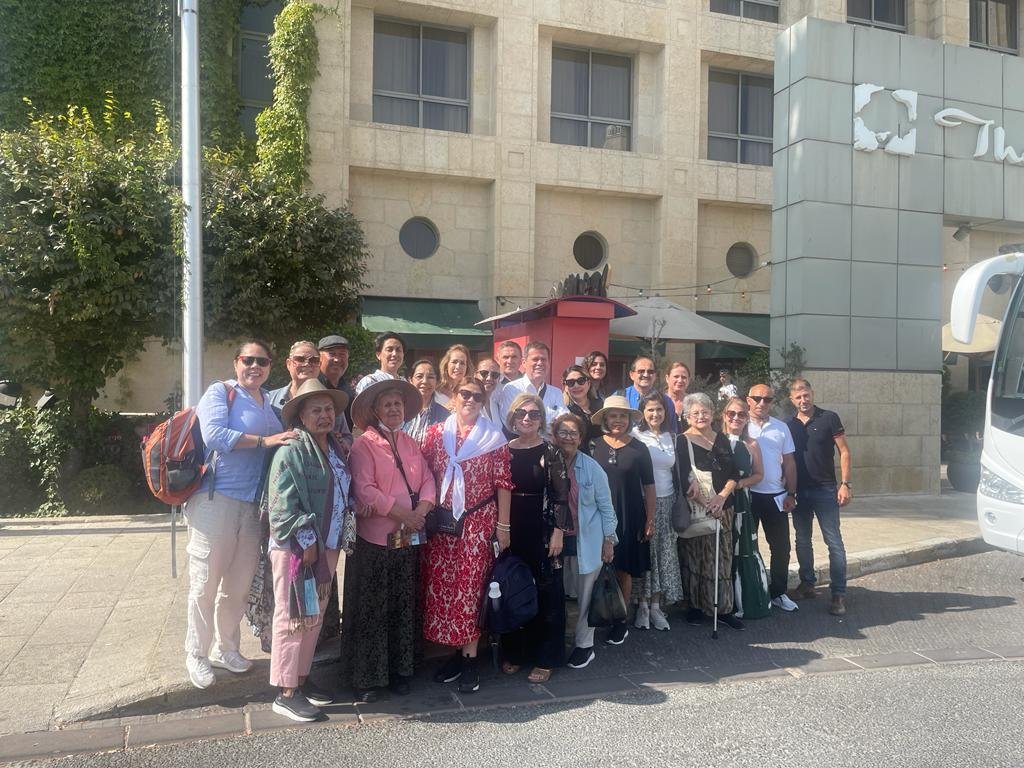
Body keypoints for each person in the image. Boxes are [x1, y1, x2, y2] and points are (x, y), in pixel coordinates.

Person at [185, 341, 298, 691]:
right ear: (236, 363)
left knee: (237, 585)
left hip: (252, 507)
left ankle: (227, 648)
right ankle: (196, 654)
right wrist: (266, 442)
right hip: (214, 500)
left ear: (269, 366)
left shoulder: (267, 403)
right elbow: (214, 435)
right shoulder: (220, 392)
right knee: (205, 582)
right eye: (248, 360)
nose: (255, 366)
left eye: (261, 361)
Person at [265, 378, 351, 722]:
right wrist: (308, 544)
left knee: (312, 615)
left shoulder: (335, 448)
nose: (324, 415)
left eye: (329, 409)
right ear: (301, 415)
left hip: (327, 546)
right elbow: (281, 506)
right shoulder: (292, 450)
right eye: (315, 409)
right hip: (299, 549)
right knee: (293, 615)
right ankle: (285, 692)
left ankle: (300, 678)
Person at [421, 377, 513, 694]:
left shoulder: (494, 438)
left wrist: (504, 526)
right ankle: (455, 655)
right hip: (443, 525)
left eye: (477, 395)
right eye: (465, 394)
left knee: (471, 589)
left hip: (477, 521)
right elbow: (423, 475)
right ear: (454, 397)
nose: (470, 399)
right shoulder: (435, 434)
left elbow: (503, 483)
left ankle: (471, 659)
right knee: (444, 588)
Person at [346, 379, 436, 701]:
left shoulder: (410, 443)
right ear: (375, 410)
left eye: (398, 404)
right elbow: (365, 489)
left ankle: (400, 670)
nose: (394, 409)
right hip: (375, 540)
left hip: (408, 536)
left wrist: (421, 512)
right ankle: (369, 676)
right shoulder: (364, 445)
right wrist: (403, 514)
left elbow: (427, 479)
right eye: (388, 404)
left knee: (402, 604)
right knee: (373, 608)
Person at [501, 393, 570, 683]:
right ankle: (517, 652)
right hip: (510, 526)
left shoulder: (550, 451)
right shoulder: (504, 449)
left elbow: (561, 497)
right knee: (513, 589)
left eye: (533, 414)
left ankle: (546, 656)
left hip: (541, 528)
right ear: (512, 417)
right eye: (521, 413)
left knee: (547, 592)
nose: (527, 418)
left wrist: (558, 533)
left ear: (542, 419)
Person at [550, 413, 617, 669]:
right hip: (555, 540)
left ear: (580, 438)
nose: (567, 438)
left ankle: (584, 645)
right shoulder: (549, 463)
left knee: (587, 595)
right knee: (561, 593)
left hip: (586, 539)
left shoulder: (592, 468)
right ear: (555, 436)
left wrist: (609, 540)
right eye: (562, 433)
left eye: (573, 433)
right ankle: (557, 640)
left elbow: (607, 508)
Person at [588, 395, 656, 646]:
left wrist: (651, 519)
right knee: (596, 568)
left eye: (623, 416)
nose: (618, 420)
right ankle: (599, 615)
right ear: (605, 419)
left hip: (630, 514)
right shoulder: (593, 445)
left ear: (629, 420)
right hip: (597, 516)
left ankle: (620, 620)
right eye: (613, 415)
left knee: (623, 569)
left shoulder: (640, 449)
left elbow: (649, 487)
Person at [786, 378, 853, 616]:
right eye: (798, 397)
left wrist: (845, 484)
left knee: (833, 542)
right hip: (799, 491)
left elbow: (844, 451)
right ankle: (807, 584)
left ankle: (838, 594)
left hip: (826, 489)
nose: (803, 401)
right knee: (802, 540)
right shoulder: (789, 425)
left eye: (806, 395)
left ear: (812, 394)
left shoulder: (829, 418)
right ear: (791, 400)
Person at [680, 392, 742, 629]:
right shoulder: (681, 441)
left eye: (705, 411)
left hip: (723, 507)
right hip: (697, 508)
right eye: (695, 413)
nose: (701, 416)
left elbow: (735, 473)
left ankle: (723, 608)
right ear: (687, 417)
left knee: (721, 560)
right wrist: (703, 498)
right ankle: (695, 606)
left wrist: (722, 496)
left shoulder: (722, 438)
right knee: (695, 558)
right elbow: (682, 476)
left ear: (713, 414)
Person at [630, 392, 686, 631]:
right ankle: (641, 604)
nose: (655, 414)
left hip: (668, 500)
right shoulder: (635, 436)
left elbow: (679, 470)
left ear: (666, 412)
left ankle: (655, 605)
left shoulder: (671, 437)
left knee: (664, 554)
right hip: (643, 502)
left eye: (659, 410)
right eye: (650, 409)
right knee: (645, 554)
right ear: (643, 411)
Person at [746, 383, 799, 612]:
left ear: (772, 402)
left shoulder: (781, 428)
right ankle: (749, 591)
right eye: (757, 398)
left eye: (767, 399)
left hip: (776, 496)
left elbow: (789, 462)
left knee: (781, 548)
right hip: (747, 496)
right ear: (748, 399)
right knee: (747, 546)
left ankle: (778, 592)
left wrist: (791, 493)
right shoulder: (739, 424)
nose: (761, 403)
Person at [721, 396, 766, 615]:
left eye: (741, 414)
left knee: (743, 548)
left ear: (747, 417)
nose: (736, 418)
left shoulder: (751, 444)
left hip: (742, 502)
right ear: (724, 416)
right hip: (722, 501)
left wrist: (740, 484)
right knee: (724, 549)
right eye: (732, 414)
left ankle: (745, 602)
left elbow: (759, 475)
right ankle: (723, 603)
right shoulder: (716, 440)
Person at [498, 341, 566, 428]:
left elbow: (564, 423)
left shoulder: (556, 393)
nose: (540, 363)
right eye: (535, 359)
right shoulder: (511, 389)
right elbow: (510, 424)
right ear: (524, 362)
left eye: (544, 359)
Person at [616, 356, 678, 433]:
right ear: (631, 375)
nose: (645, 375)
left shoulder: (666, 401)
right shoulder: (619, 397)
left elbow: (671, 432)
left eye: (650, 372)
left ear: (655, 375)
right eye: (641, 371)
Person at [268, 340, 322, 419]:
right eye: (300, 359)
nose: (307, 364)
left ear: (319, 365)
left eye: (314, 360)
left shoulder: (331, 401)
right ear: (288, 364)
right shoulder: (268, 399)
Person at [403, 359, 450, 444]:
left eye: (430, 377)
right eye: (419, 376)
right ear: (410, 380)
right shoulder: (401, 411)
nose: (425, 381)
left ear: (437, 382)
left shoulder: (445, 416)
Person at [318, 334, 356, 429]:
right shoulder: (313, 387)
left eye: (342, 354)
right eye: (332, 354)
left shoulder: (347, 390)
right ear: (319, 358)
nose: (337, 359)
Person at [561, 364, 602, 453]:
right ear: (565, 386)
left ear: (588, 383)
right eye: (570, 383)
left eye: (581, 381)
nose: (576, 386)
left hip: (601, 458)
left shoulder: (601, 406)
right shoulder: (563, 411)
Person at [436, 344, 474, 408]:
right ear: (446, 365)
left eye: (462, 363)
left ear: (467, 367)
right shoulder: (435, 391)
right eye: (454, 362)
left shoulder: (472, 393)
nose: (458, 367)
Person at [664, 361, 691, 432]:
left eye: (684, 377)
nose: (680, 380)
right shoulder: (660, 401)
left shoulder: (694, 403)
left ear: (688, 380)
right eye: (676, 376)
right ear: (667, 378)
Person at [475, 357, 503, 422]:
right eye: (484, 373)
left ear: (499, 379)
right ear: (475, 375)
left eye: (494, 375)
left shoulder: (496, 405)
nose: (489, 378)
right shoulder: (469, 402)